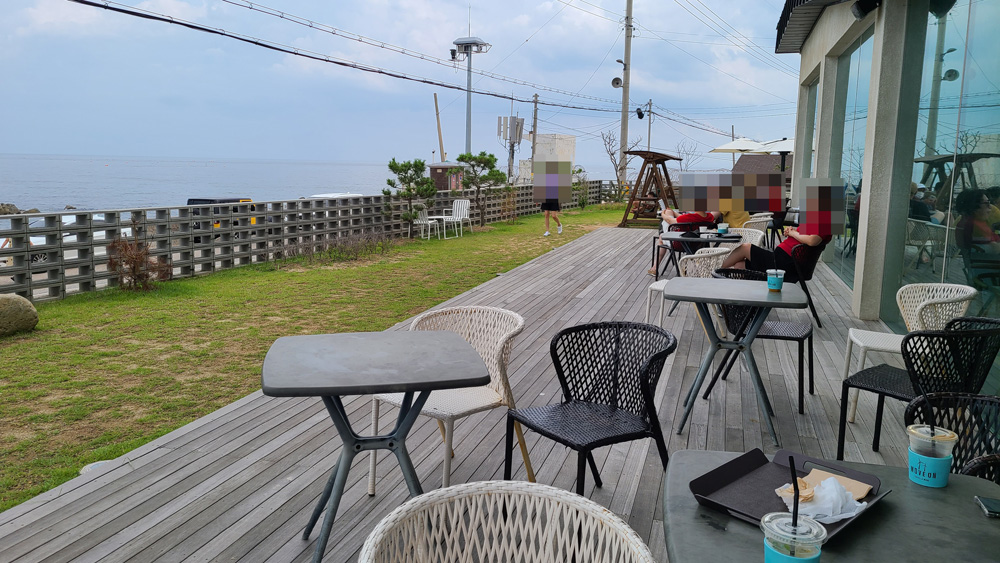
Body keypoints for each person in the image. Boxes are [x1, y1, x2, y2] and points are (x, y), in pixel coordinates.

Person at [719, 221, 831, 272]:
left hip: (785, 263)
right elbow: (805, 235)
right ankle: (745, 305)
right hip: (781, 259)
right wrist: (792, 231)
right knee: (739, 266)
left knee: (745, 248)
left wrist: (793, 233)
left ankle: (716, 271)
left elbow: (812, 241)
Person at [648, 208, 720, 275]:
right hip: (698, 244)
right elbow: (682, 217)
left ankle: (655, 267)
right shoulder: (709, 217)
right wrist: (673, 213)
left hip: (679, 243)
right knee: (669, 215)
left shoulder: (689, 217)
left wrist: (663, 214)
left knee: (661, 236)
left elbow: (669, 220)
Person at [955, 189, 1000, 254]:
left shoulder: (965, 222)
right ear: (974, 207)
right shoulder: (974, 226)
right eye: (986, 203)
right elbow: (994, 248)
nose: (990, 207)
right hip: (984, 259)